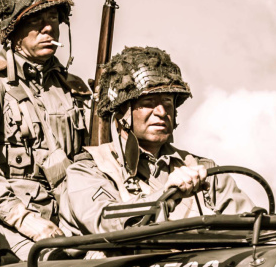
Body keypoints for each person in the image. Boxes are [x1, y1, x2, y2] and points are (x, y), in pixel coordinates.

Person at [0, 0, 91, 259]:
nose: (49, 29)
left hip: (73, 217)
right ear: (12, 29)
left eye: (54, 19)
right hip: (8, 222)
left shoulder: (73, 89)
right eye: (35, 21)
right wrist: (25, 219)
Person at [61, 46, 255, 234]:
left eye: (168, 103)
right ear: (122, 112)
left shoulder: (203, 171)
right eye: (149, 103)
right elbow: (104, 222)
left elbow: (253, 226)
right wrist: (166, 196)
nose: (161, 112)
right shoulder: (88, 170)